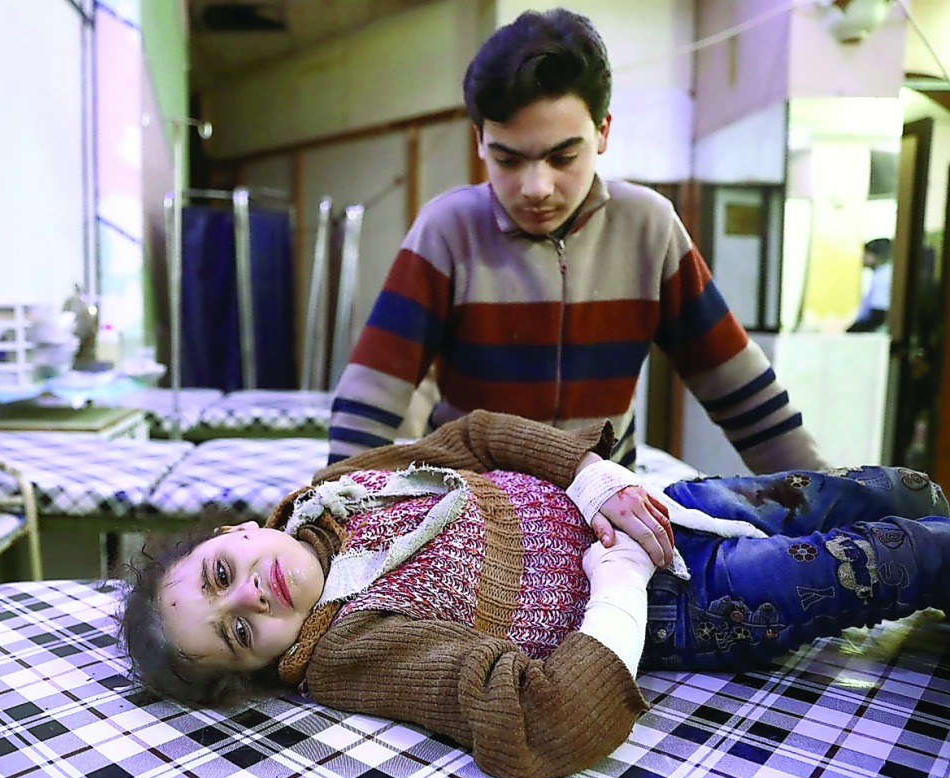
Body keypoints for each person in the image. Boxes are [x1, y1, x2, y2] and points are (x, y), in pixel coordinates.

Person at [120, 410, 949, 778]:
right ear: (263, 665)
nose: (251, 599)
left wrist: (592, 479)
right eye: (238, 633)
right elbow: (530, 725)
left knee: (900, 490)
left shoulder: (329, 490)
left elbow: (473, 436)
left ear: (233, 530)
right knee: (908, 554)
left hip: (655, 503)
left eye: (221, 574)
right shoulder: (344, 647)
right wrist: (620, 585)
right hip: (676, 602)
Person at [326, 8, 825, 474]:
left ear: (603, 132)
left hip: (606, 507)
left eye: (563, 158)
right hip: (473, 504)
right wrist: (337, 509)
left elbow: (740, 388)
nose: (536, 187)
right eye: (507, 160)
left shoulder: (648, 227)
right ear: (479, 140)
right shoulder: (447, 230)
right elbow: (372, 397)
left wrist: (829, 494)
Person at [847, 238, 893, 333]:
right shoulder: (880, 274)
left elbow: (878, 315)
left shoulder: (883, 276)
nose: (862, 257)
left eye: (866, 253)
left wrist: (852, 333)